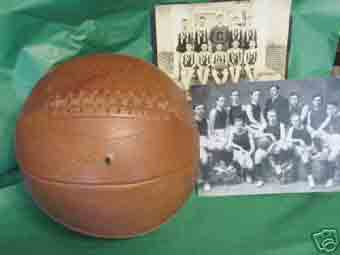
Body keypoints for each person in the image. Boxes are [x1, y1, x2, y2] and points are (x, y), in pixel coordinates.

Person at [286, 113, 313, 182]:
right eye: (294, 121)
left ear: (300, 120)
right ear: (291, 122)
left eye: (297, 120)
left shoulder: (307, 127)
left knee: (304, 154)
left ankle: (310, 178)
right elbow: (288, 139)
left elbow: (314, 136)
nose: (296, 122)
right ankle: (310, 178)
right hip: (297, 150)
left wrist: (310, 147)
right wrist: (299, 140)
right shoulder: (291, 129)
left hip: (308, 148)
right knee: (300, 151)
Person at [228, 117, 255, 183]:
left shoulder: (247, 132)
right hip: (237, 151)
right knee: (242, 160)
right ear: (234, 125)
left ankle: (246, 173)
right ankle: (246, 175)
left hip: (247, 151)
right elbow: (230, 143)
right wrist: (240, 148)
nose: (239, 127)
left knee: (251, 166)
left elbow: (252, 145)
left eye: (240, 125)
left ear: (243, 125)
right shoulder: (232, 132)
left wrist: (249, 153)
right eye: (237, 125)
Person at [194, 104, 211, 191]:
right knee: (204, 158)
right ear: (194, 111)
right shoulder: (191, 121)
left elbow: (209, 134)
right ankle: (206, 181)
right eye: (198, 108)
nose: (201, 110)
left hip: (205, 142)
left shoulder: (206, 121)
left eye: (202, 108)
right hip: (195, 143)